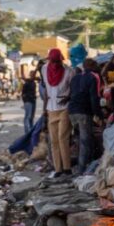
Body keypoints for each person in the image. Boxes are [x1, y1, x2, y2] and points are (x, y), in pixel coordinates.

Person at [40, 48, 75, 177]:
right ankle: (58, 169)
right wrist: (44, 110)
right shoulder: (44, 69)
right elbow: (46, 91)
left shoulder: (69, 71)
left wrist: (68, 97)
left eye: (56, 61)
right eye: (52, 61)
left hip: (64, 108)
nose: (54, 64)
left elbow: (73, 89)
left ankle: (67, 168)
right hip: (51, 109)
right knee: (53, 140)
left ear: (60, 60)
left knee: (62, 138)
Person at [68, 58, 102, 175]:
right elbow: (94, 98)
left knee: (80, 139)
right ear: (92, 66)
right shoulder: (93, 77)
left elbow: (72, 94)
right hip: (83, 112)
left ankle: (84, 165)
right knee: (84, 142)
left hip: (72, 112)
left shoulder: (75, 78)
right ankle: (82, 170)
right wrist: (99, 114)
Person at [21, 70, 38, 135]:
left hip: (33, 101)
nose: (33, 76)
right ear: (30, 75)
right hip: (28, 101)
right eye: (32, 74)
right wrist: (25, 101)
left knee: (31, 117)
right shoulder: (27, 83)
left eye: (34, 74)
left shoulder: (33, 83)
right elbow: (23, 93)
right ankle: (27, 131)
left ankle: (31, 131)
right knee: (28, 116)